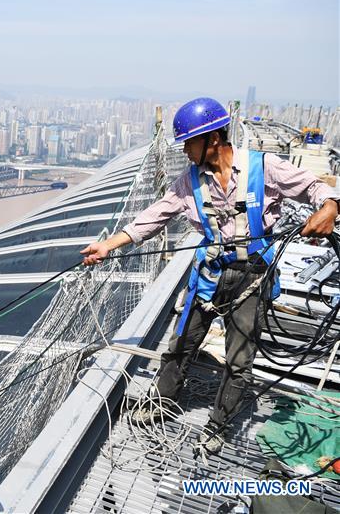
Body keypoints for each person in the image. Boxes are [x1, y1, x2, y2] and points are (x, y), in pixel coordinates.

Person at [80, 97, 339, 455]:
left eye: (189, 142)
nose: (185, 151)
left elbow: (316, 189)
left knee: (239, 358)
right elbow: (155, 217)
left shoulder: (264, 167)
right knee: (182, 341)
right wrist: (110, 244)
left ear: (212, 139)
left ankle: (218, 423)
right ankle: (164, 402)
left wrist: (329, 208)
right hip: (210, 274)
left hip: (251, 277)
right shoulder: (189, 182)